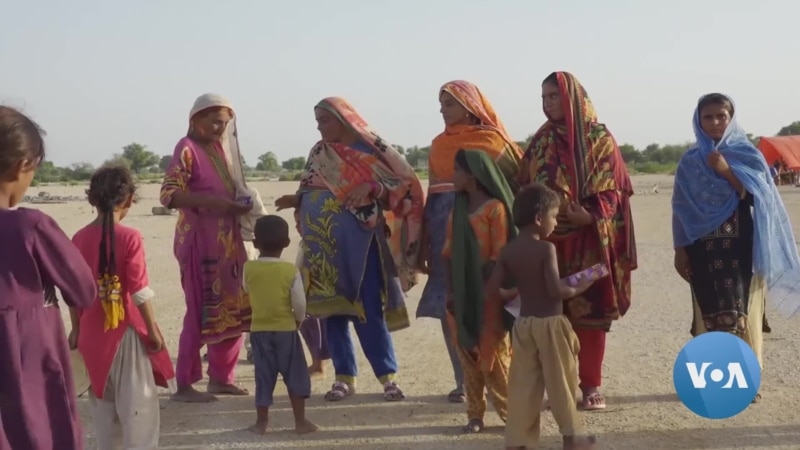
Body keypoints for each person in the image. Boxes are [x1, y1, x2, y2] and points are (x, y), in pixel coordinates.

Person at [275, 97, 424, 402]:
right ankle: (344, 378)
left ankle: (388, 377)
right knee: (333, 313)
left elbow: (404, 188)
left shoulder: (373, 152)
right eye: (317, 121)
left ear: (343, 119)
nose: (319, 127)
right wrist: (297, 199)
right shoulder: (318, 152)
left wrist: (374, 188)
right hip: (322, 246)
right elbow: (311, 188)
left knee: (368, 308)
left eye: (324, 120)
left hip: (362, 244)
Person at [518, 72, 637, 410]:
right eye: (543, 97)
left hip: (589, 240)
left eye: (554, 96)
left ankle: (590, 386)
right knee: (550, 317)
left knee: (590, 316)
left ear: (573, 97)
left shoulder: (598, 137)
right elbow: (524, 182)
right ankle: (557, 386)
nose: (548, 103)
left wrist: (590, 214)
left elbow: (614, 186)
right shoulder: (540, 140)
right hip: (549, 241)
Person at [672, 93, 800, 399]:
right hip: (701, 250)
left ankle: (747, 382)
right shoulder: (690, 162)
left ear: (731, 119)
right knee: (709, 314)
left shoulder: (747, 155)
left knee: (745, 312)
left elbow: (759, 199)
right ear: (698, 121)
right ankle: (712, 383)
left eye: (721, 116)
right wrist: (680, 249)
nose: (715, 123)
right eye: (708, 117)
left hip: (742, 249)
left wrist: (726, 170)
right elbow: (680, 208)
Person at [419, 80, 523, 403]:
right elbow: (433, 195)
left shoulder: (494, 143)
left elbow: (518, 186)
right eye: (440, 104)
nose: (442, 110)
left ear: (469, 106)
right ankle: (464, 379)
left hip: (491, 233)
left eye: (448, 104)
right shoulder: (437, 146)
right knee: (451, 305)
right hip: (444, 232)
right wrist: (423, 240)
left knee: (498, 305)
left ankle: (506, 380)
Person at [0, 106, 97, 449]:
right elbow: (83, 290)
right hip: (26, 351)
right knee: (37, 425)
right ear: (22, 165)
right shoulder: (30, 226)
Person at [161, 93, 267, 402]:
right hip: (198, 242)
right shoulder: (187, 148)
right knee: (199, 310)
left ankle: (222, 377)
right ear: (196, 120)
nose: (221, 127)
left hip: (229, 243)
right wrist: (212, 202)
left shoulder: (222, 151)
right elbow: (168, 194)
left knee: (233, 308)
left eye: (225, 122)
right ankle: (184, 383)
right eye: (215, 121)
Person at [70, 166, 176, 449]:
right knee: (138, 415)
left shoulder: (79, 238)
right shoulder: (129, 237)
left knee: (104, 417)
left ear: (92, 200)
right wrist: (152, 331)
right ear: (128, 200)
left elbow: (72, 292)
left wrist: (76, 330)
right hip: (125, 332)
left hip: (92, 334)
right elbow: (140, 290)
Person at [488, 184, 597, 450]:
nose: (555, 222)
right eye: (554, 215)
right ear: (539, 219)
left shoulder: (508, 252)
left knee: (523, 385)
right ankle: (573, 437)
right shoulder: (546, 249)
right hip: (551, 325)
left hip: (523, 326)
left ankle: (518, 441)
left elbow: (492, 290)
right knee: (562, 383)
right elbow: (555, 290)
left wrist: (513, 291)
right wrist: (583, 282)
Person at [442, 149, 517, 433]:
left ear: (472, 174)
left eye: (456, 171)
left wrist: (486, 294)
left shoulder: (495, 209)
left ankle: (513, 415)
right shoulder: (456, 211)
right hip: (461, 295)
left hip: (487, 295)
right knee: (468, 356)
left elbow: (499, 255)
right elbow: (447, 255)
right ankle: (475, 414)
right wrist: (451, 293)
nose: (452, 176)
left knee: (496, 358)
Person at [243, 215, 319, 435]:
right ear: (286, 243)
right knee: (295, 375)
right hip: (287, 331)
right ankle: (300, 422)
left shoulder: (249, 268)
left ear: (255, 244)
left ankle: (261, 423)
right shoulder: (289, 271)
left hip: (259, 332)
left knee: (264, 377)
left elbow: (247, 290)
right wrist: (298, 319)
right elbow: (299, 301)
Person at [293, 208, 331, 377]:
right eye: (296, 223)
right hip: (305, 294)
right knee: (309, 329)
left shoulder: (318, 243)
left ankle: (319, 364)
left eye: (300, 223)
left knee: (318, 331)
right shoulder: (304, 242)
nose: (297, 227)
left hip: (316, 295)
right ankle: (316, 362)